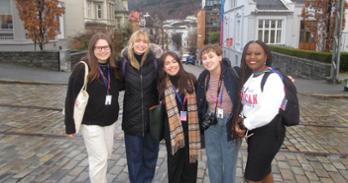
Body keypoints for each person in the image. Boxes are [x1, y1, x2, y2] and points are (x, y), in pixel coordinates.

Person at [64, 32, 121, 183]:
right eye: (98, 48)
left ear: (110, 48)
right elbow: (71, 97)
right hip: (91, 123)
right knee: (99, 158)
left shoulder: (113, 67)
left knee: (106, 155)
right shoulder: (82, 67)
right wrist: (70, 126)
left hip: (110, 121)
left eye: (106, 47)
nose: (102, 50)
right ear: (92, 49)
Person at [233, 40, 286, 183]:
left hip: (269, 132)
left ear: (266, 56)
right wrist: (240, 119)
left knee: (252, 176)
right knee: (263, 171)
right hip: (255, 132)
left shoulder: (272, 78)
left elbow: (268, 112)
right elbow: (247, 104)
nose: (252, 57)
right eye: (248, 54)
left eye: (257, 54)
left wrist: (244, 124)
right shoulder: (252, 76)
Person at [196, 44, 242, 183]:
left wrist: (281, 76)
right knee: (213, 160)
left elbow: (256, 75)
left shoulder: (234, 74)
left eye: (211, 56)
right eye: (204, 58)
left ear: (220, 57)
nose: (208, 60)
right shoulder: (203, 76)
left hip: (230, 123)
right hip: (211, 122)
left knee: (229, 162)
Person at [119, 30, 160, 183]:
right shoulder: (123, 63)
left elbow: (167, 81)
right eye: (138, 41)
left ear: (148, 45)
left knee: (150, 157)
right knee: (134, 159)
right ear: (132, 43)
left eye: (144, 42)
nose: (141, 44)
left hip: (152, 119)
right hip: (132, 120)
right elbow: (113, 84)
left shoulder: (155, 62)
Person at [158, 51, 201, 183]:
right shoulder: (162, 84)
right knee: (174, 166)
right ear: (163, 68)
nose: (171, 65)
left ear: (179, 62)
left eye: (174, 61)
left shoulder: (191, 79)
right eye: (167, 63)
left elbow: (199, 104)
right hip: (172, 132)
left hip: (190, 129)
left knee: (190, 166)